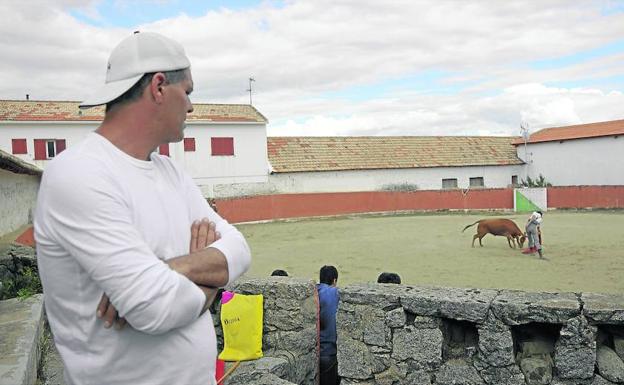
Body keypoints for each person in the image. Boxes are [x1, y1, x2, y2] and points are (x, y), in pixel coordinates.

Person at [34, 31, 251, 385]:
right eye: (189, 91)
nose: (193, 106)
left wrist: (169, 269)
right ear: (159, 87)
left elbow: (239, 249)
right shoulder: (78, 174)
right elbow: (154, 307)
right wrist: (209, 283)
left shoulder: (171, 172)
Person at [318, 265, 340, 385]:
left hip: (312, 351)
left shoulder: (314, 290)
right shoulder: (335, 293)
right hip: (329, 352)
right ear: (335, 280)